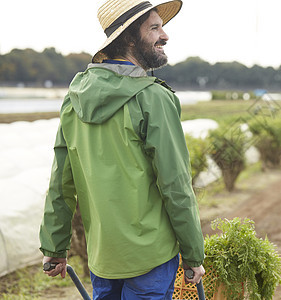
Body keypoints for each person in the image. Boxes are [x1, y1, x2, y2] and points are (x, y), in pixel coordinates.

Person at [39, 0, 205, 298]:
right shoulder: (153, 98)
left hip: (104, 258)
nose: (165, 36)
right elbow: (176, 185)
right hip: (150, 258)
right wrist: (194, 253)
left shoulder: (74, 99)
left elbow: (61, 183)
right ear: (128, 38)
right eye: (154, 28)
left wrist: (54, 246)